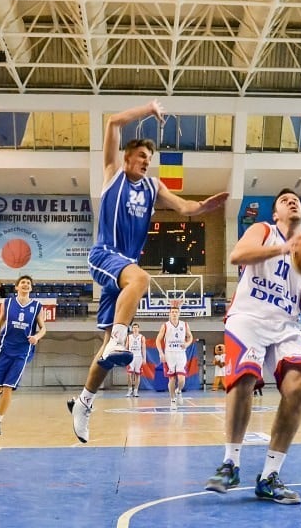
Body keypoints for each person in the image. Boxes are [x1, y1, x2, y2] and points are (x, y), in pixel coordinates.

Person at [68, 99, 227, 442]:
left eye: (149, 160)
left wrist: (204, 206)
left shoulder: (154, 187)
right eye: (141, 157)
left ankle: (84, 402)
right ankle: (121, 340)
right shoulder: (112, 175)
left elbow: (184, 206)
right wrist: (149, 108)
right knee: (141, 276)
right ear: (126, 157)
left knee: (107, 349)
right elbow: (113, 122)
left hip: (122, 275)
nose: (145, 162)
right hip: (105, 255)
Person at [204, 189, 301, 505]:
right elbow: (237, 255)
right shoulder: (263, 230)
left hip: (286, 326)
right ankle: (231, 463)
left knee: (299, 385)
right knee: (244, 378)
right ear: (275, 215)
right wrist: (283, 248)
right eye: (284, 201)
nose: (292, 201)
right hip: (248, 318)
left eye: (296, 199)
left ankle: (270, 475)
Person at [0, 275, 46, 435]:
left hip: (23, 352)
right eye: (23, 283)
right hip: (5, 349)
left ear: (31, 288)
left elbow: (43, 328)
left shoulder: (37, 306)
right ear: (16, 287)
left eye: (28, 283)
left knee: (8, 387)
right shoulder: (8, 302)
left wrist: (37, 337)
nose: (26, 285)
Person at [156, 305, 193, 409]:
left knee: (181, 379)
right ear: (169, 313)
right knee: (171, 379)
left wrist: (187, 343)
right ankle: (172, 400)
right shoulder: (165, 325)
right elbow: (158, 340)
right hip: (169, 354)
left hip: (181, 353)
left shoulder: (184, 325)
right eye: (172, 312)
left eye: (176, 312)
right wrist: (161, 353)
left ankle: (179, 390)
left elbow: (190, 337)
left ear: (179, 313)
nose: (174, 314)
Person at [125, 323, 147, 397]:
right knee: (129, 374)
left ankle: (135, 391)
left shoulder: (142, 337)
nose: (135, 329)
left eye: (136, 327)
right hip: (130, 357)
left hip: (139, 357)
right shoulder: (129, 337)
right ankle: (130, 390)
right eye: (134, 327)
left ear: (138, 329)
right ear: (132, 329)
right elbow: (126, 347)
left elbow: (143, 348)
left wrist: (144, 358)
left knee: (138, 374)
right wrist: (125, 356)